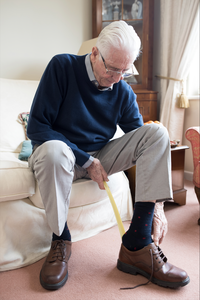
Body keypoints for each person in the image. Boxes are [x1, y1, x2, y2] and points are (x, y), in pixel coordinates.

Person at [27, 20, 190, 291]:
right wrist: (86, 160)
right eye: (112, 68)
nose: (117, 78)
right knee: (57, 152)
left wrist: (158, 206)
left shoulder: (122, 89)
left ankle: (136, 245)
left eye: (124, 71)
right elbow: (37, 127)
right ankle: (60, 240)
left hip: (101, 156)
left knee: (157, 133)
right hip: (59, 153)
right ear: (94, 53)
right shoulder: (62, 67)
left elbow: (146, 146)